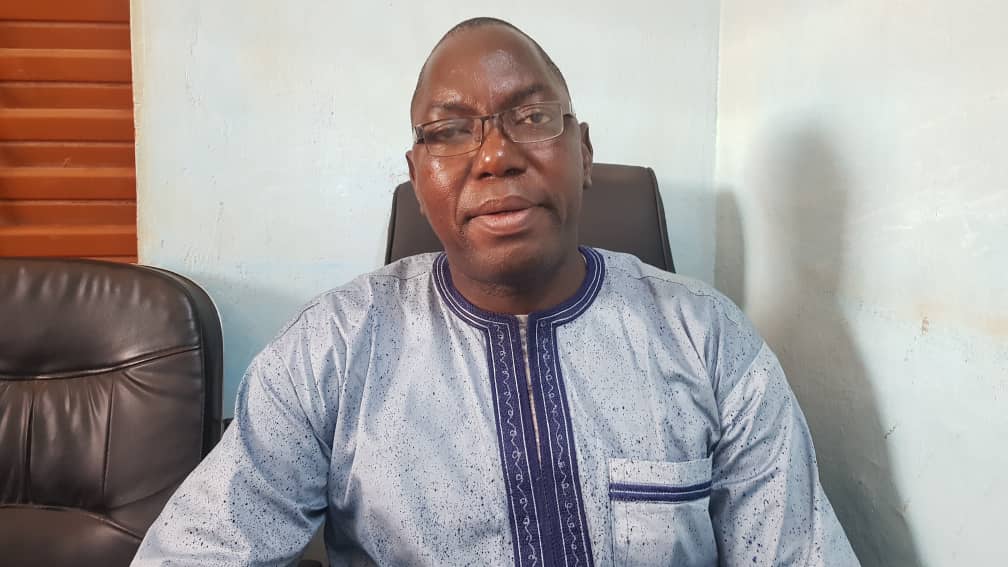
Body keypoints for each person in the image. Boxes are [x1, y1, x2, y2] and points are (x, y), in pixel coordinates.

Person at [133, 17, 860, 567]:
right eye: (452, 131)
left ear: (583, 152)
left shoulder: (707, 339)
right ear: (418, 178)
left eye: (532, 118)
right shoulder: (333, 348)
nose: (495, 156)